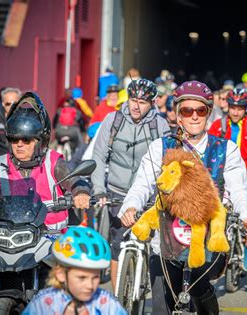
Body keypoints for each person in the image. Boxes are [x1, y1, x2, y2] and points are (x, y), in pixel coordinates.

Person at [119, 81, 247, 314]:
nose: (194, 116)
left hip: (206, 239)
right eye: (186, 111)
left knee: (198, 285)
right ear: (178, 116)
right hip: (165, 240)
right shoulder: (160, 147)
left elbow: (240, 190)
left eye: (200, 110)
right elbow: (142, 183)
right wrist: (131, 205)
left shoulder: (227, 149)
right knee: (161, 307)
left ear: (208, 114)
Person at [0, 92, 91, 231]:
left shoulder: (52, 162)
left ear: (40, 142)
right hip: (8, 233)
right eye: (14, 139)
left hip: (51, 236)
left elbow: (74, 179)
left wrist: (81, 193)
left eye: (26, 140)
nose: (19, 144)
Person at [91, 78, 170, 291]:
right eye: (133, 99)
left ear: (152, 103)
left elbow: (169, 163)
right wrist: (99, 189)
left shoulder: (159, 125)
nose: (136, 106)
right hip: (116, 192)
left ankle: (148, 279)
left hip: (148, 195)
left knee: (154, 244)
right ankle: (118, 298)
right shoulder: (113, 119)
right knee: (117, 244)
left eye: (143, 102)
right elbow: (98, 156)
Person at [208, 88, 247, 272]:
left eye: (240, 108)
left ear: (245, 109)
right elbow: (208, 149)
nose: (235, 112)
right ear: (227, 106)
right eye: (232, 107)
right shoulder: (218, 125)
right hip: (222, 170)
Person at [22, 226, 126, 315]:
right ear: (61, 274)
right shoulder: (43, 304)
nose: (90, 285)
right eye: (82, 278)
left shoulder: (106, 304)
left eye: (95, 277)